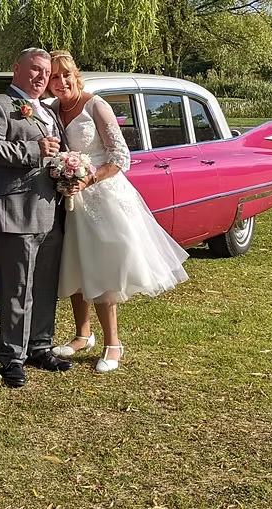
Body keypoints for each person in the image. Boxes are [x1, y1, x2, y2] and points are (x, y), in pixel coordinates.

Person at [46, 51, 189, 373]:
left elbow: (120, 155)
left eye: (65, 75)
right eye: (54, 77)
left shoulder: (95, 105)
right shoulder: (52, 110)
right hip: (67, 199)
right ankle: (83, 335)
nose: (61, 82)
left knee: (101, 268)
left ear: (75, 75)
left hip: (102, 198)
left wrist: (88, 177)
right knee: (73, 266)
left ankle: (114, 343)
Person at [0, 48, 74, 388]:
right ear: (16, 69)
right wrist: (34, 151)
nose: (42, 77)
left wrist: (69, 173)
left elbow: (58, 152)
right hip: (15, 212)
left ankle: (40, 346)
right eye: (35, 69)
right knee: (16, 289)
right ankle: (12, 357)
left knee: (44, 287)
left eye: (45, 72)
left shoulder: (47, 110)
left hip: (50, 211)